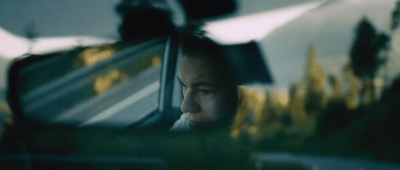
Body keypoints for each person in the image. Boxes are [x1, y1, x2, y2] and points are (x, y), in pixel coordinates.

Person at [170, 35, 239, 131]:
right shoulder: (183, 128)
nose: (184, 107)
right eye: (184, 86)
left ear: (236, 90)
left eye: (204, 91)